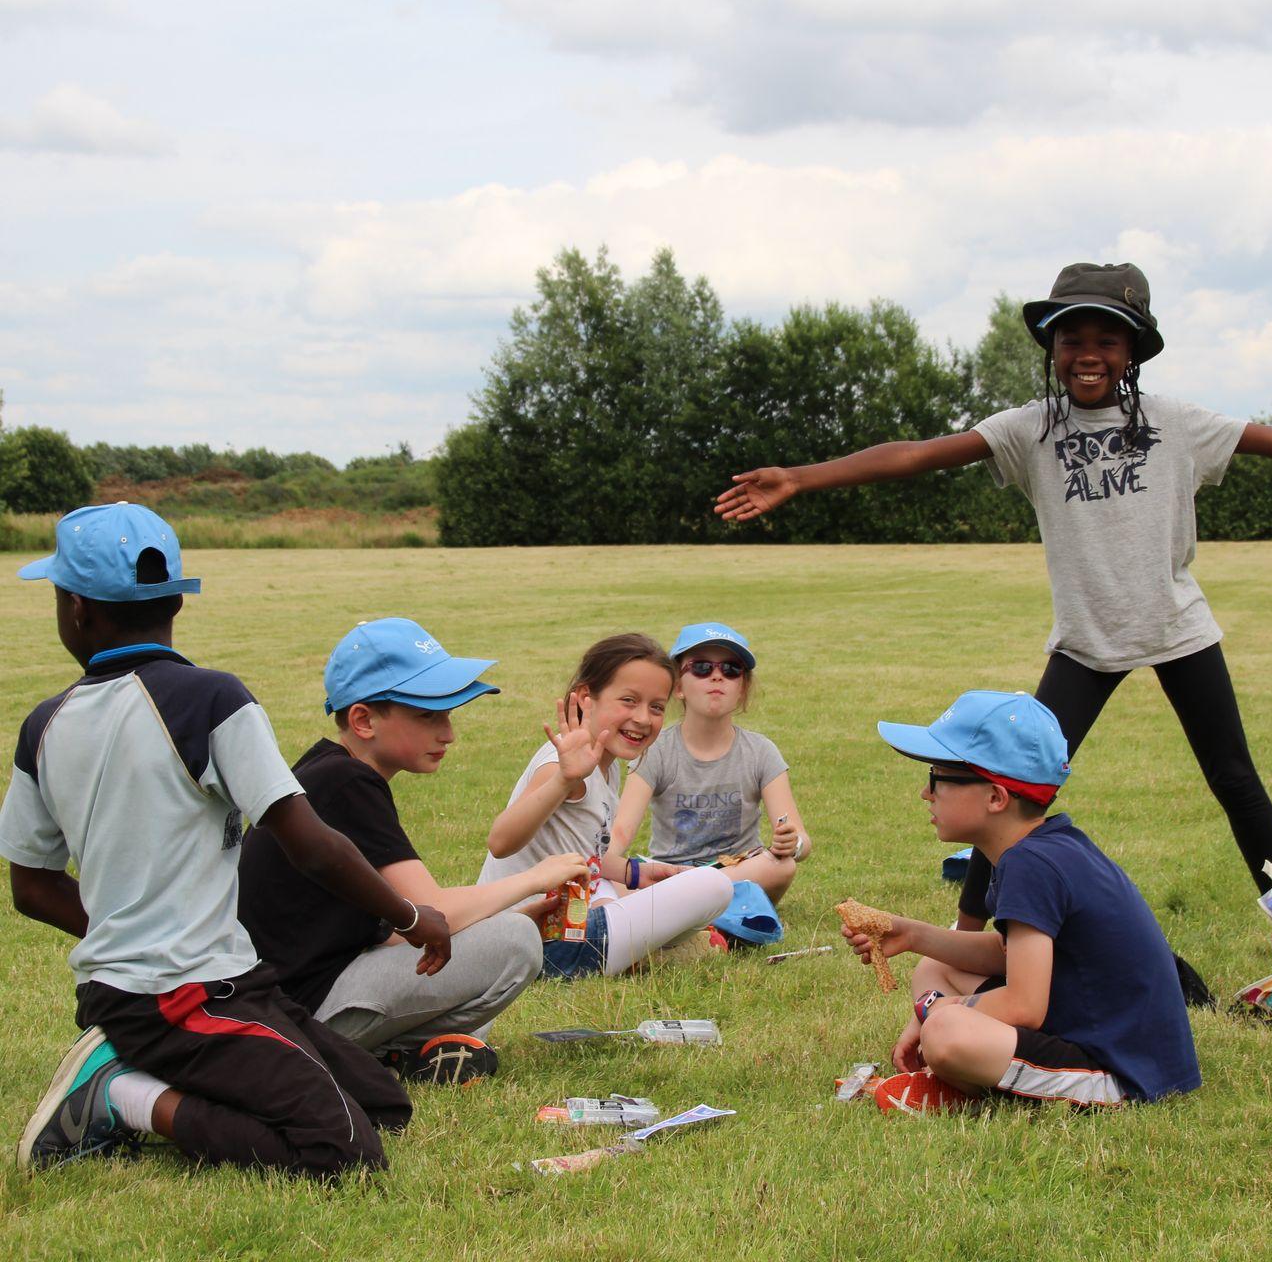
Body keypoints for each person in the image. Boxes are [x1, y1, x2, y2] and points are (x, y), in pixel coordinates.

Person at [716, 261, 1272, 954]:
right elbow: (917, 452)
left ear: (1132, 352)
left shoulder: (1176, 424)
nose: (1087, 354)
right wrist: (802, 477)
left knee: (1235, 779)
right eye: (1071, 339)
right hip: (1085, 641)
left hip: (1177, 629)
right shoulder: (1029, 429)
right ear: (1052, 348)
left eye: (1107, 340)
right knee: (1009, 787)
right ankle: (966, 933)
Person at [5, 504, 450, 1176]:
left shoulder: (45, 725)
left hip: (229, 981)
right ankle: (118, 1095)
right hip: (172, 996)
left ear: (76, 608)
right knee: (343, 1154)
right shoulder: (211, 699)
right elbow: (311, 844)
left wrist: (124, 929)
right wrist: (412, 918)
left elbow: (32, 886)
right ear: (176, 602)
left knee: (383, 1105)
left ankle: (149, 1067)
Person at [238, 618, 578, 1086]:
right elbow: (433, 910)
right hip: (301, 1020)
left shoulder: (329, 771)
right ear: (363, 720)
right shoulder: (347, 782)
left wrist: (497, 916)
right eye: (428, 716)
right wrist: (535, 878)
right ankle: (383, 1057)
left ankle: (395, 1057)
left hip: (287, 1008)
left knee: (506, 929)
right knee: (516, 941)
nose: (448, 733)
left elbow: (402, 924)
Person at [838, 690, 1199, 1112]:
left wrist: (933, 1011)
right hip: (1098, 1032)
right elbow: (1010, 954)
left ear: (996, 797)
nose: (925, 793)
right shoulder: (1038, 849)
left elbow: (1024, 1006)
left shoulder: (1031, 865)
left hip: (1123, 1070)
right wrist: (912, 934)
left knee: (946, 1031)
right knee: (935, 968)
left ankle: (980, 1080)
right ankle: (969, 1075)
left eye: (938, 778)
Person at [484, 633, 733, 979]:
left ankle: (637, 948)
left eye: (656, 707)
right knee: (714, 886)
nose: (643, 718)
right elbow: (500, 842)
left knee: (647, 882)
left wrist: (635, 873)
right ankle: (639, 953)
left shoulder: (606, 762)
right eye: (629, 700)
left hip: (572, 916)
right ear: (586, 697)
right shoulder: (565, 765)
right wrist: (563, 779)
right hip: (539, 942)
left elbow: (585, 853)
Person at [611, 623, 809, 903]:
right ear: (678, 686)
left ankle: (676, 905)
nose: (717, 676)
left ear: (743, 688)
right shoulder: (657, 750)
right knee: (608, 878)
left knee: (782, 867)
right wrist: (602, 864)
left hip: (737, 871)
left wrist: (793, 843)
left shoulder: (760, 752)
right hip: (669, 873)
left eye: (731, 669)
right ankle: (699, 906)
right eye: (702, 667)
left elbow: (801, 840)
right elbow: (621, 831)